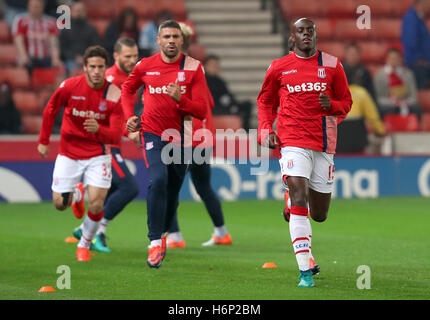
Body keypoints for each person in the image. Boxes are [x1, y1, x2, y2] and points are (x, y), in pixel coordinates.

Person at [256, 18, 352, 287]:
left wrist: (331, 104)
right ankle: (304, 273)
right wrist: (265, 129)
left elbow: (346, 102)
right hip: (291, 140)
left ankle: (291, 200)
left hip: (323, 143)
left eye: (310, 30)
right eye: (301, 31)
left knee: (319, 214)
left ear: (316, 35)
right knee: (299, 190)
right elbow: (265, 101)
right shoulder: (279, 67)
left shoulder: (333, 65)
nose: (306, 34)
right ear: (293, 37)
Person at [122, 20, 208, 268]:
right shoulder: (145, 66)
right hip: (152, 133)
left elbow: (202, 110)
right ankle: (154, 242)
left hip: (182, 137)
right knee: (158, 180)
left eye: (175, 36)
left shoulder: (194, 68)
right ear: (158, 40)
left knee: (172, 193)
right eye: (166, 36)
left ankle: (163, 234)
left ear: (182, 40)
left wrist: (181, 100)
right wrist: (129, 117)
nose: (171, 40)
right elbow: (128, 91)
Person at [37, 45, 123, 262]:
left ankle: (84, 244)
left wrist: (99, 130)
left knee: (96, 204)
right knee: (59, 204)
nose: (96, 71)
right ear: (84, 67)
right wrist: (44, 141)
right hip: (69, 153)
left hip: (98, 154)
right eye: (92, 66)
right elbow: (50, 109)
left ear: (106, 68)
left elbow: (115, 137)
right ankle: (76, 196)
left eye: (100, 67)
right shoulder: (70, 86)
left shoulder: (114, 94)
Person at [166, 22, 232, 249]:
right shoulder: (197, 68)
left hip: (187, 138)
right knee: (204, 187)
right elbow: (209, 103)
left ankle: (174, 236)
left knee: (169, 187)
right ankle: (222, 232)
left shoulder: (179, 70)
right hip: (204, 138)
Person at [72, 38, 140, 253]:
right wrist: (131, 133)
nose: (132, 60)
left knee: (113, 188)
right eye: (127, 56)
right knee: (129, 188)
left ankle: (84, 227)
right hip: (103, 145)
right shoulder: (110, 80)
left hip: (112, 142)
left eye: (135, 56)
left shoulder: (131, 77)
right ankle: (96, 231)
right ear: (117, 56)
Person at [12, 0, 62, 74]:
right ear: (28, 6)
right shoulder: (21, 20)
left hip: (46, 58)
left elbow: (54, 42)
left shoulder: (51, 22)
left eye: (38, 6)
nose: (35, 9)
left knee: (58, 68)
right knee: (24, 65)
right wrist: (23, 56)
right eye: (33, 6)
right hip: (29, 58)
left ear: (42, 7)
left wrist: (55, 58)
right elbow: (18, 40)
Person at [204, 54, 252, 131]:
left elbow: (227, 95)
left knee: (247, 105)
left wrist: (233, 104)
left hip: (226, 106)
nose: (215, 67)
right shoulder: (203, 80)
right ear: (205, 66)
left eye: (217, 65)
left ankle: (246, 131)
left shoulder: (220, 81)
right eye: (213, 65)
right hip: (214, 109)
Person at [373, 47, 422, 121]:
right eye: (392, 58)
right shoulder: (379, 75)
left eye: (396, 58)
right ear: (387, 59)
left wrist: (404, 102)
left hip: (405, 102)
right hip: (389, 104)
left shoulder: (408, 74)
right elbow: (378, 98)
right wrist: (393, 102)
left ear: (400, 59)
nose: (394, 61)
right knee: (381, 109)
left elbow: (414, 96)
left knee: (417, 108)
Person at [336, 82, 385, 153]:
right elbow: (372, 116)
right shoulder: (361, 93)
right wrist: (380, 131)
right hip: (357, 137)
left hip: (337, 137)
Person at [59, 1, 101, 77]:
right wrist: (75, 57)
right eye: (76, 11)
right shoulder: (65, 30)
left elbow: (95, 47)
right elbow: (63, 49)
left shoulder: (92, 30)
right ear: (71, 12)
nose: (79, 13)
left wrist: (85, 57)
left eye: (81, 11)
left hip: (88, 59)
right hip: (71, 60)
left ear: (85, 12)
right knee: (73, 68)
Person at [401, 0, 430, 89]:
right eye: (427, 4)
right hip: (418, 64)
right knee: (420, 89)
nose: (428, 7)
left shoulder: (419, 18)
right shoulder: (411, 18)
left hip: (422, 62)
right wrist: (418, 59)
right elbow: (411, 40)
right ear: (419, 4)